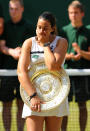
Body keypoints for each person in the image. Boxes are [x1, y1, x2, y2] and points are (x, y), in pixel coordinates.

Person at [17, 11, 69, 131]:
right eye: (39, 27)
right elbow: (21, 71)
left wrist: (45, 44)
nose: (41, 31)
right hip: (33, 96)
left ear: (53, 28)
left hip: (56, 96)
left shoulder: (61, 42)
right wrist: (33, 95)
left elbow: (53, 66)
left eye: (45, 28)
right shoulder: (29, 43)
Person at [0, 0, 35, 131]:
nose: (13, 11)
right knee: (6, 104)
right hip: (7, 72)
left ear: (22, 9)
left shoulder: (30, 26)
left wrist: (23, 52)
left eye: (15, 9)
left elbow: (33, 47)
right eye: (10, 9)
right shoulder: (4, 26)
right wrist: (11, 52)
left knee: (22, 104)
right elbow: (2, 46)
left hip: (25, 72)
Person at [59, 1, 90, 131]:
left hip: (83, 74)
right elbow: (57, 55)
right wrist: (70, 56)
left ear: (82, 14)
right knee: (64, 107)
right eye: (71, 13)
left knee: (82, 105)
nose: (73, 15)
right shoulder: (63, 31)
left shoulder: (88, 31)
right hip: (66, 74)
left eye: (76, 12)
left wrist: (81, 53)